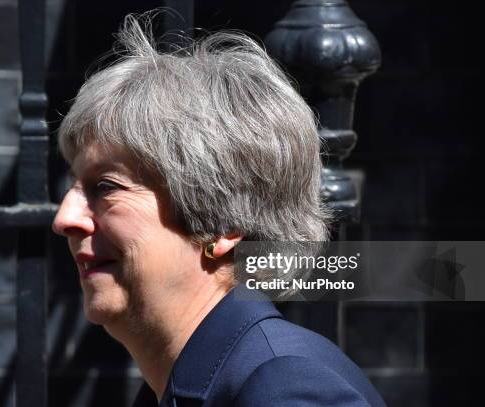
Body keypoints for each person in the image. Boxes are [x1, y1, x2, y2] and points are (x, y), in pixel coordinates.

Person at [52, 12, 385, 407]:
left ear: (221, 225)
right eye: (75, 186)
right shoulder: (184, 384)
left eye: (105, 187)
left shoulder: (287, 388)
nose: (64, 219)